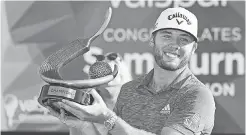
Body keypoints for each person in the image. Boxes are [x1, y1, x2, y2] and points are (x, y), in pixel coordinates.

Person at [49, 7, 216, 135]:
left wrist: (107, 117)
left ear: (194, 48)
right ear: (152, 40)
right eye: (167, 35)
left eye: (184, 39)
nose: (174, 44)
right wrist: (82, 126)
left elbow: (112, 122)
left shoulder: (197, 95)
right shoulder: (129, 89)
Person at [47, 52, 132, 135]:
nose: (113, 62)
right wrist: (84, 126)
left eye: (118, 61)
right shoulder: (84, 109)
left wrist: (107, 117)